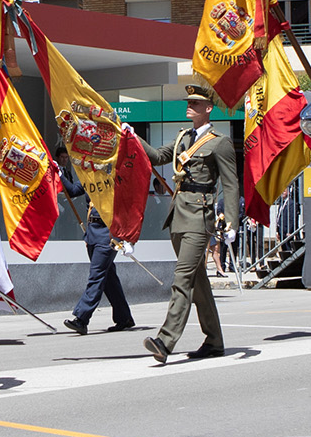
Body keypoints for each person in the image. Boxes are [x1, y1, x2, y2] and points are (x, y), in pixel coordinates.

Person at [140, 82, 239, 363]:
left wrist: (231, 222)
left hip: (199, 217)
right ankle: (215, 341)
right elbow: (158, 157)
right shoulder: (183, 137)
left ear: (208, 108)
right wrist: (133, 137)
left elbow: (231, 184)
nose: (189, 106)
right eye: (188, 102)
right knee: (198, 281)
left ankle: (165, 340)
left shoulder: (219, 143)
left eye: (195, 103)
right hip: (178, 216)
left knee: (182, 278)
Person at [58, 155, 136, 335]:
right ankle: (124, 317)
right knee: (108, 278)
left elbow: (129, 207)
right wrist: (58, 172)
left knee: (96, 276)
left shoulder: (116, 178)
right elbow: (72, 190)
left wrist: (128, 238)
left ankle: (82, 318)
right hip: (92, 232)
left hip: (108, 233)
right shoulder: (90, 177)